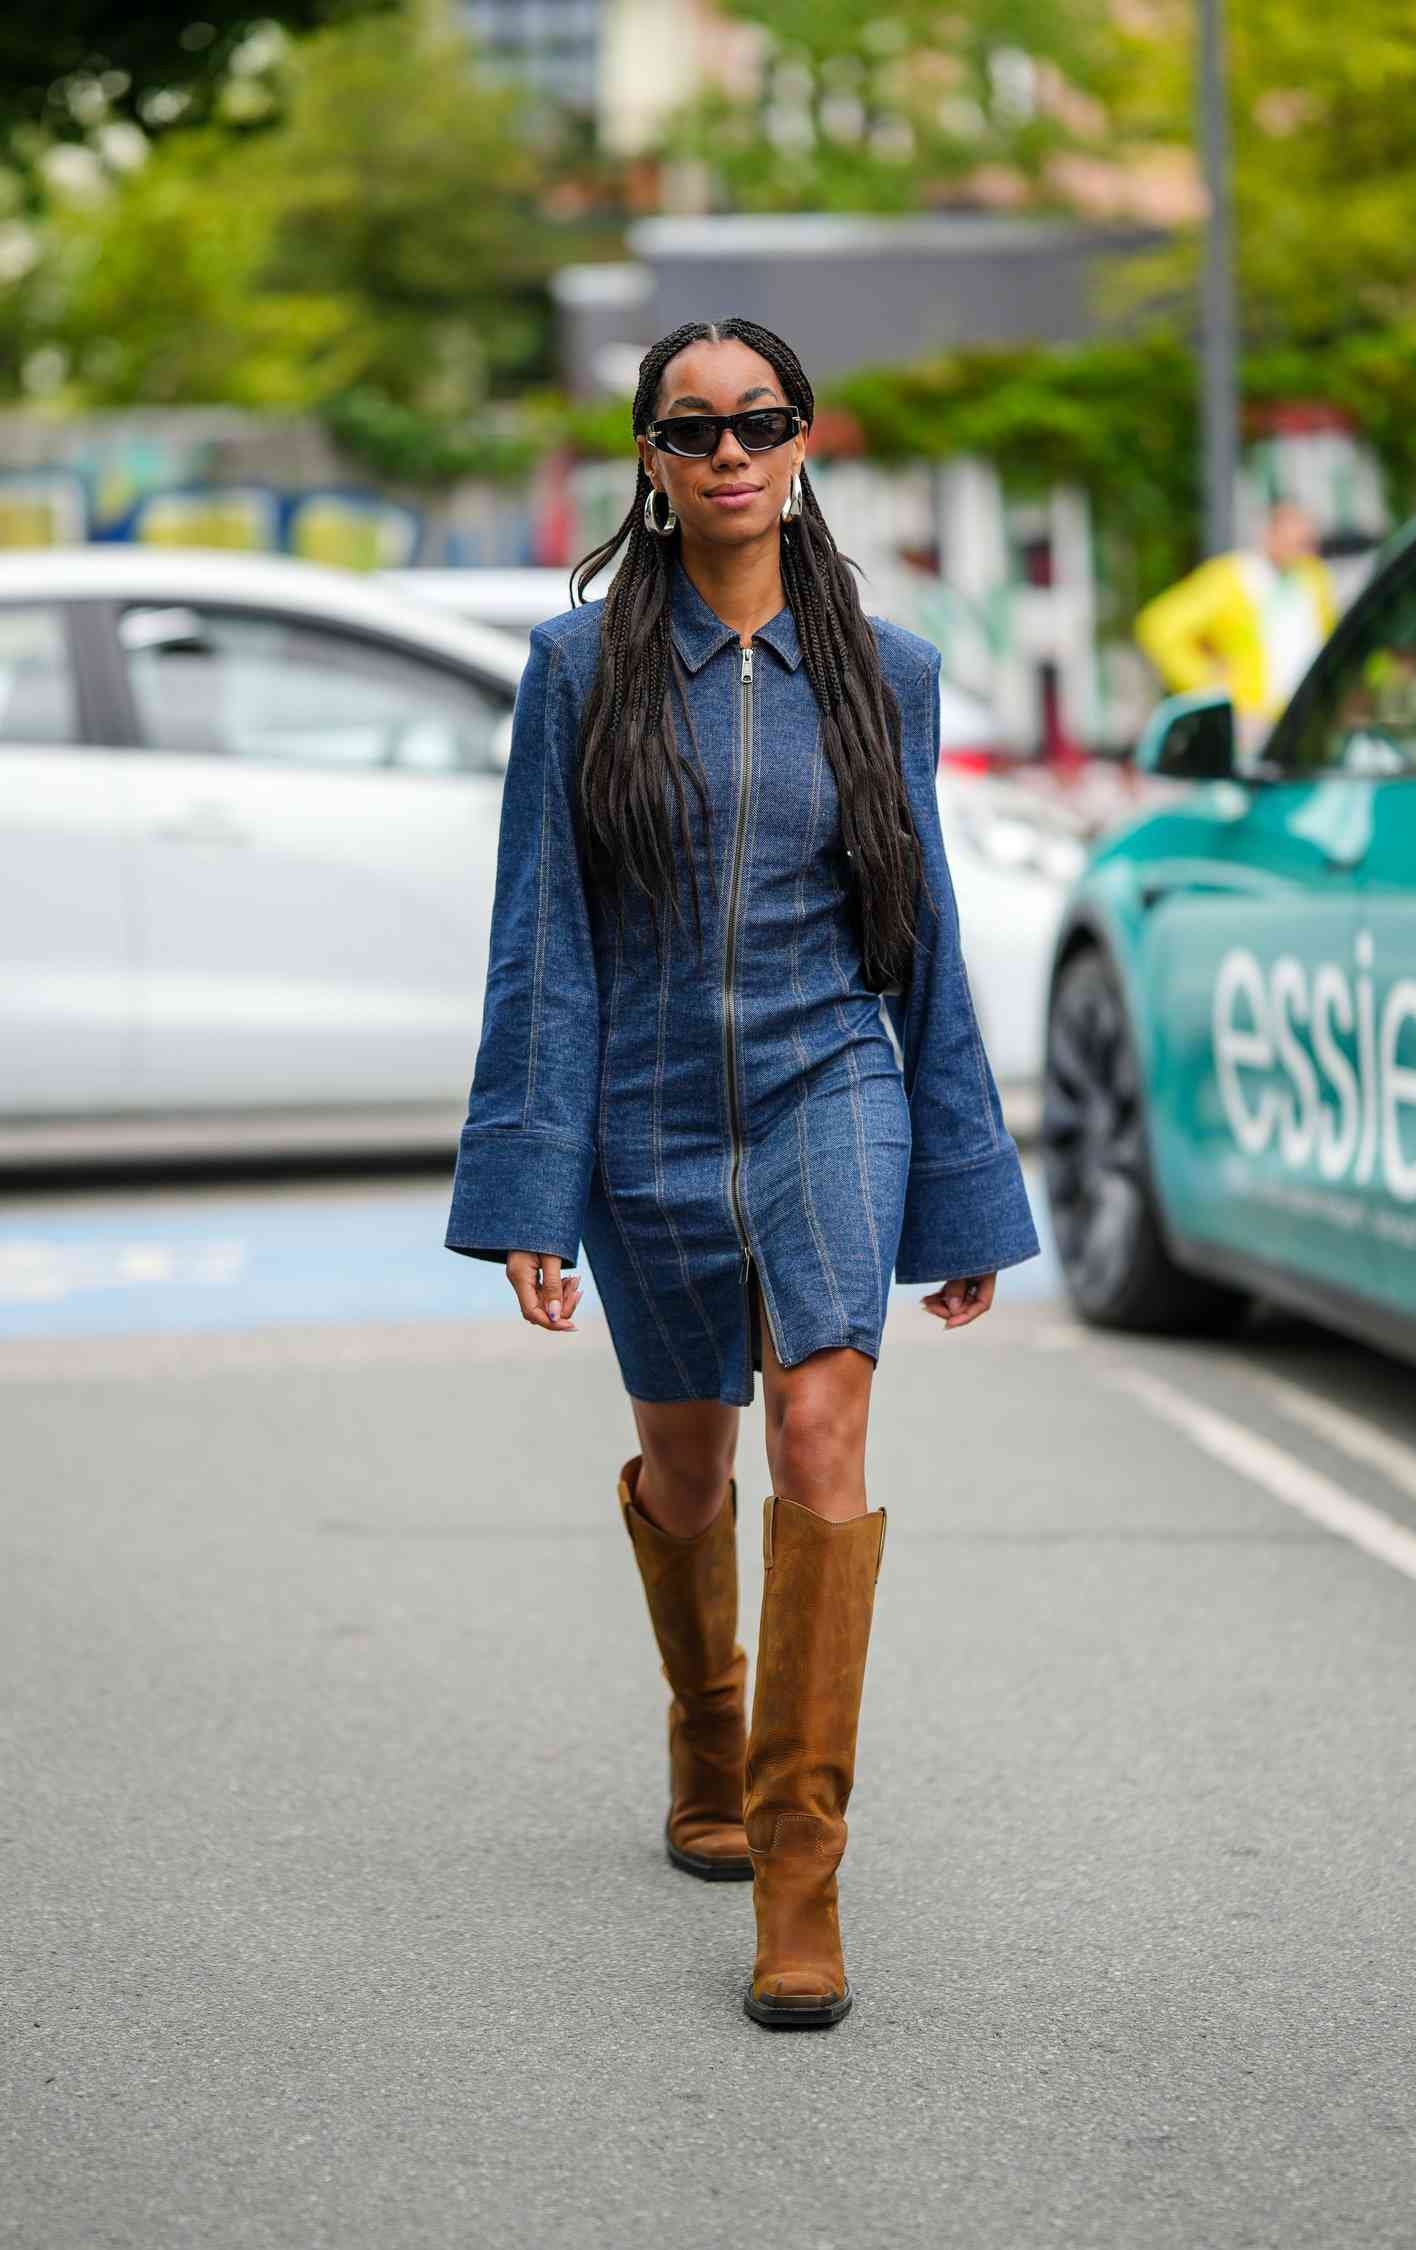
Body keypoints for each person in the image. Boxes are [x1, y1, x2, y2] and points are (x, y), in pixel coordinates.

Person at [444, 318, 1039, 2029]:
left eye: (758, 423)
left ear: (800, 447)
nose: (727, 453)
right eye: (692, 428)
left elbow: (916, 941)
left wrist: (965, 1195)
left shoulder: (886, 670)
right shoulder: (578, 672)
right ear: (648, 457)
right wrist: (530, 1186)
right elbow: (540, 937)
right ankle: (709, 1732)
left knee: (824, 1432)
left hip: (827, 1081)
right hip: (642, 1111)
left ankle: (801, 1867)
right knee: (692, 1478)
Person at [1134, 498, 1338, 743]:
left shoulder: (1314, 579)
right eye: (1293, 541)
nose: (1301, 552)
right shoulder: (1231, 579)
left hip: (1311, 718)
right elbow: (1159, 627)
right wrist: (1208, 686)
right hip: (1254, 722)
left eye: (1306, 543)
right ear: (1269, 534)